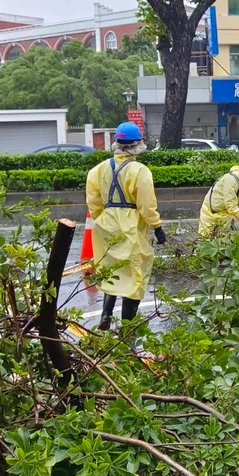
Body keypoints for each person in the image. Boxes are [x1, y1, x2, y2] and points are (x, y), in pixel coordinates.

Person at [86, 122, 166, 331]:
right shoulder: (140, 171)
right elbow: (147, 205)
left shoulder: (97, 170)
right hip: (131, 226)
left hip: (105, 225)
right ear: (137, 144)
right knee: (135, 276)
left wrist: (103, 218)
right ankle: (127, 327)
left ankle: (106, 314)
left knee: (112, 271)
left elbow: (93, 202)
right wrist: (156, 226)